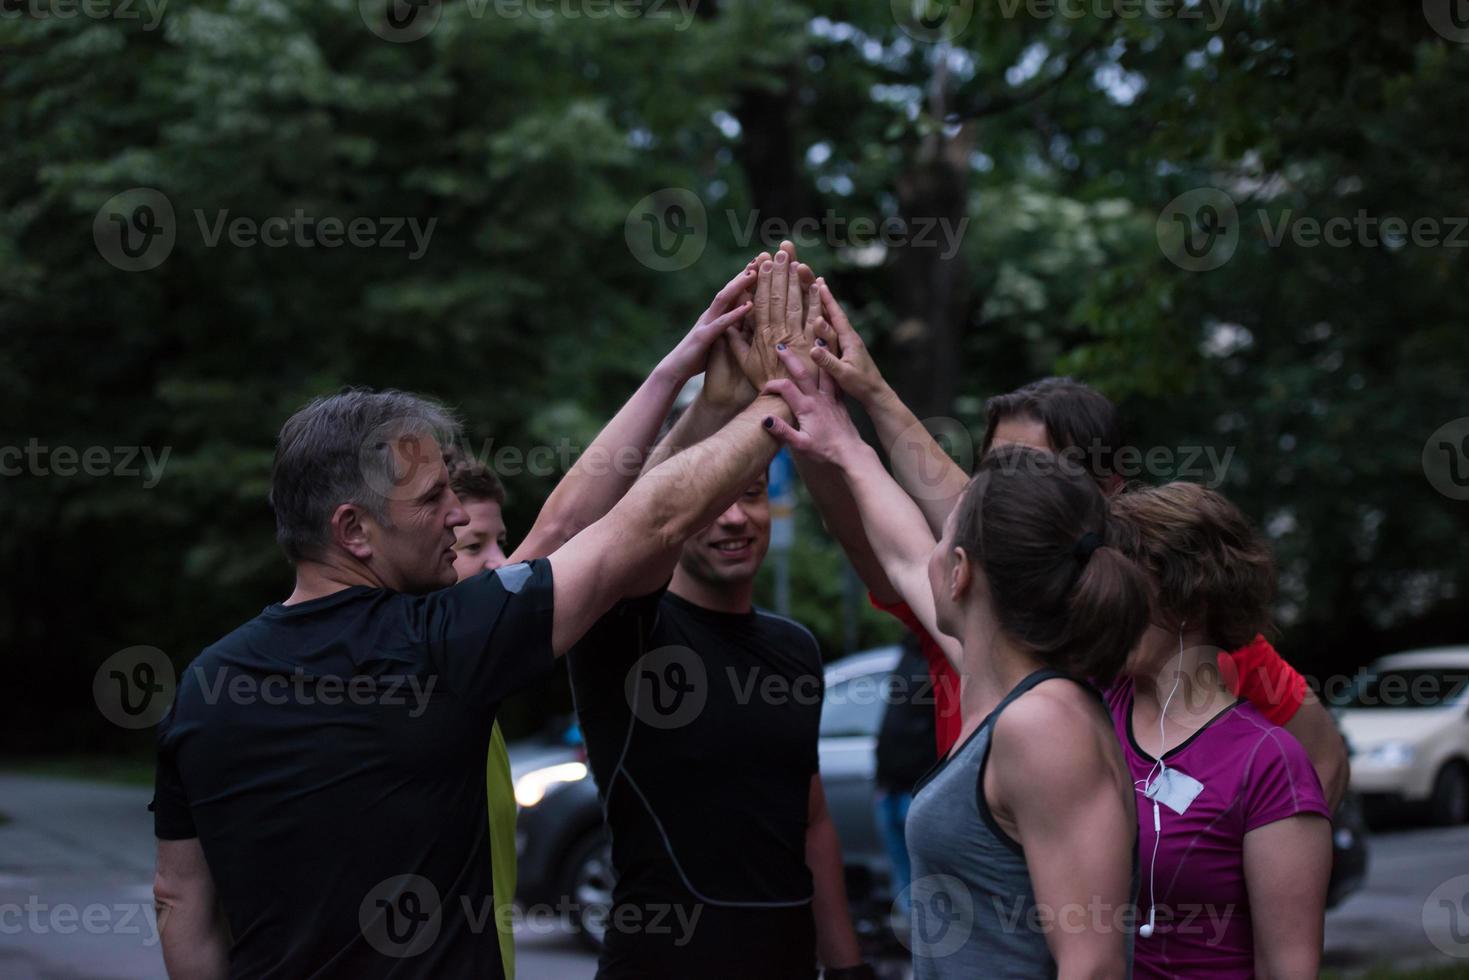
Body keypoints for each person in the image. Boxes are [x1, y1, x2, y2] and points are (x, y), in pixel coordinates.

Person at [148, 258, 800, 978]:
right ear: (354, 531)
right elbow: (638, 526)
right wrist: (783, 403)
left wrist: (687, 387)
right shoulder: (441, 644)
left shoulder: (207, 684)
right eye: (432, 501)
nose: (457, 516)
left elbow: (179, 896)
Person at [803, 306, 1348, 811]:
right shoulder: (977, 596)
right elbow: (891, 533)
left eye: (1030, 475)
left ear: (1106, 492)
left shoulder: (1183, 630)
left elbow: (1320, 761)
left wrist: (1225, 876)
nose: (999, 494)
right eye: (994, 473)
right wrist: (839, 399)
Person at [763, 349, 1146, 976]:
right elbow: (902, 554)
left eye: (945, 539)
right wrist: (842, 440)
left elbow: (1095, 966)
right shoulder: (999, 683)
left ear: (963, 572)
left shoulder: (1044, 725)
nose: (929, 548)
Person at [565, 246, 872, 980]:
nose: (734, 519)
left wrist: (849, 966)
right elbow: (606, 532)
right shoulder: (623, 625)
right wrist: (709, 404)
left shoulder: (793, 648)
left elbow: (811, 818)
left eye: (754, 494)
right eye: (712, 501)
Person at [1107, 482, 1332, 978]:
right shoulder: (1083, 714)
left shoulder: (1268, 761)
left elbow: (1287, 969)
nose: (1105, 609)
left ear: (1190, 598)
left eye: (1125, 590)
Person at [445, 457, 516, 979]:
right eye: (474, 547)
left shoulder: (482, 696)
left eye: (501, 542)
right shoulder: (436, 680)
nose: (501, 562)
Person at [871, 636, 936, 919]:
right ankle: (916, 952)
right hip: (892, 790)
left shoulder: (941, 656)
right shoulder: (908, 653)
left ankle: (926, 955)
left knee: (926, 890)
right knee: (906, 888)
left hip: (918, 791)